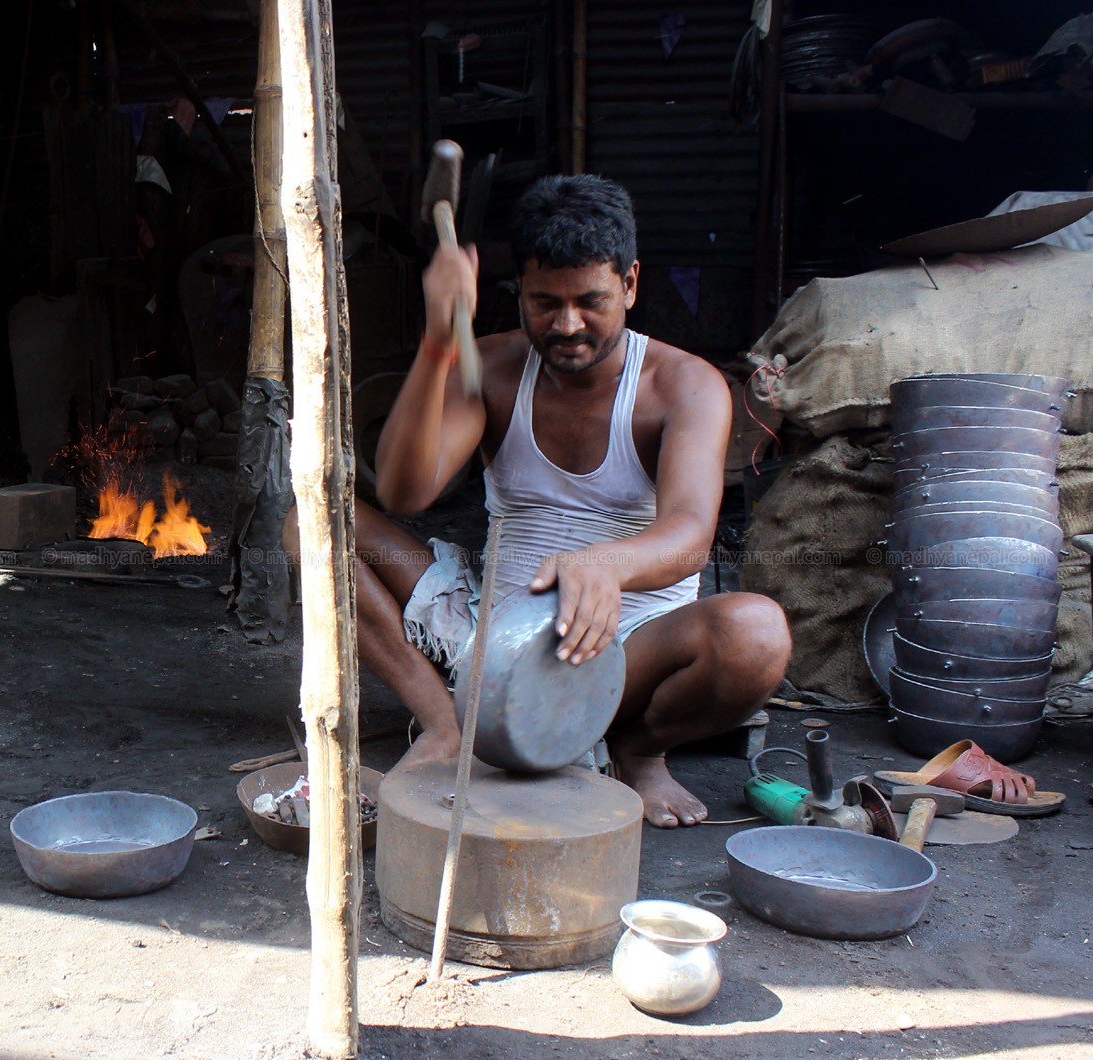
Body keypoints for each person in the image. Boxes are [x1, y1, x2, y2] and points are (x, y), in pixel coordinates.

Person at [289, 175, 790, 827]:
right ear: (518, 290)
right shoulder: (495, 366)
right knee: (314, 524)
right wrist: (443, 337)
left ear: (631, 284)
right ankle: (446, 723)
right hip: (488, 629)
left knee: (755, 632)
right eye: (545, 301)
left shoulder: (682, 384)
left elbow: (691, 534)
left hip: (622, 647)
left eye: (591, 301)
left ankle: (638, 749)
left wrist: (606, 565)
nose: (568, 324)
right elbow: (408, 489)